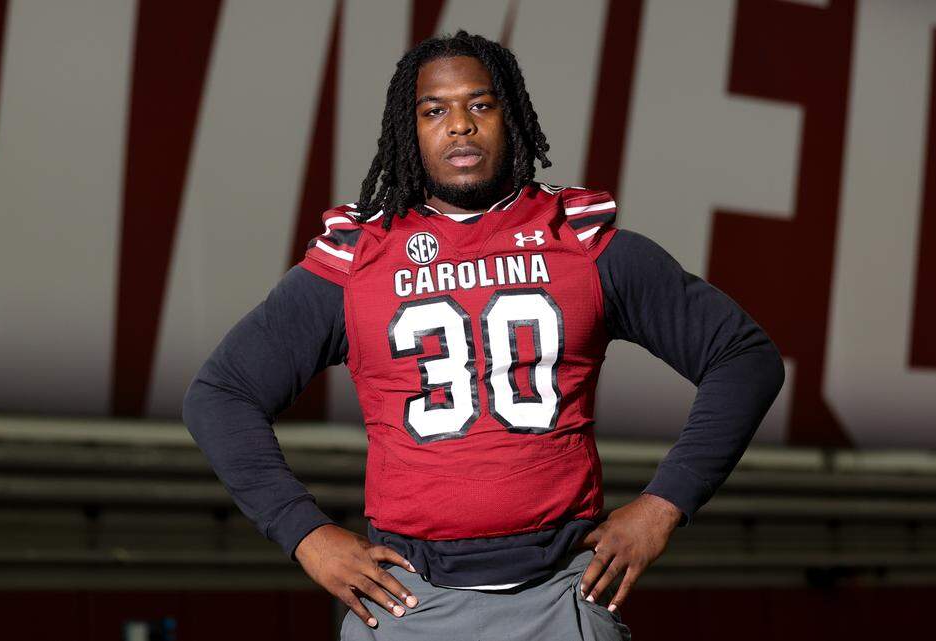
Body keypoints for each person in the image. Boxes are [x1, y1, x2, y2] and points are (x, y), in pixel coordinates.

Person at [182, 30, 784, 640]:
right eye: (434, 110)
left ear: (511, 116)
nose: (460, 126)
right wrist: (306, 535)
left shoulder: (582, 242)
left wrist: (663, 508)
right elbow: (221, 394)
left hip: (561, 593)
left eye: (480, 104)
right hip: (409, 602)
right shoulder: (359, 258)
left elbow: (744, 357)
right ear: (408, 129)